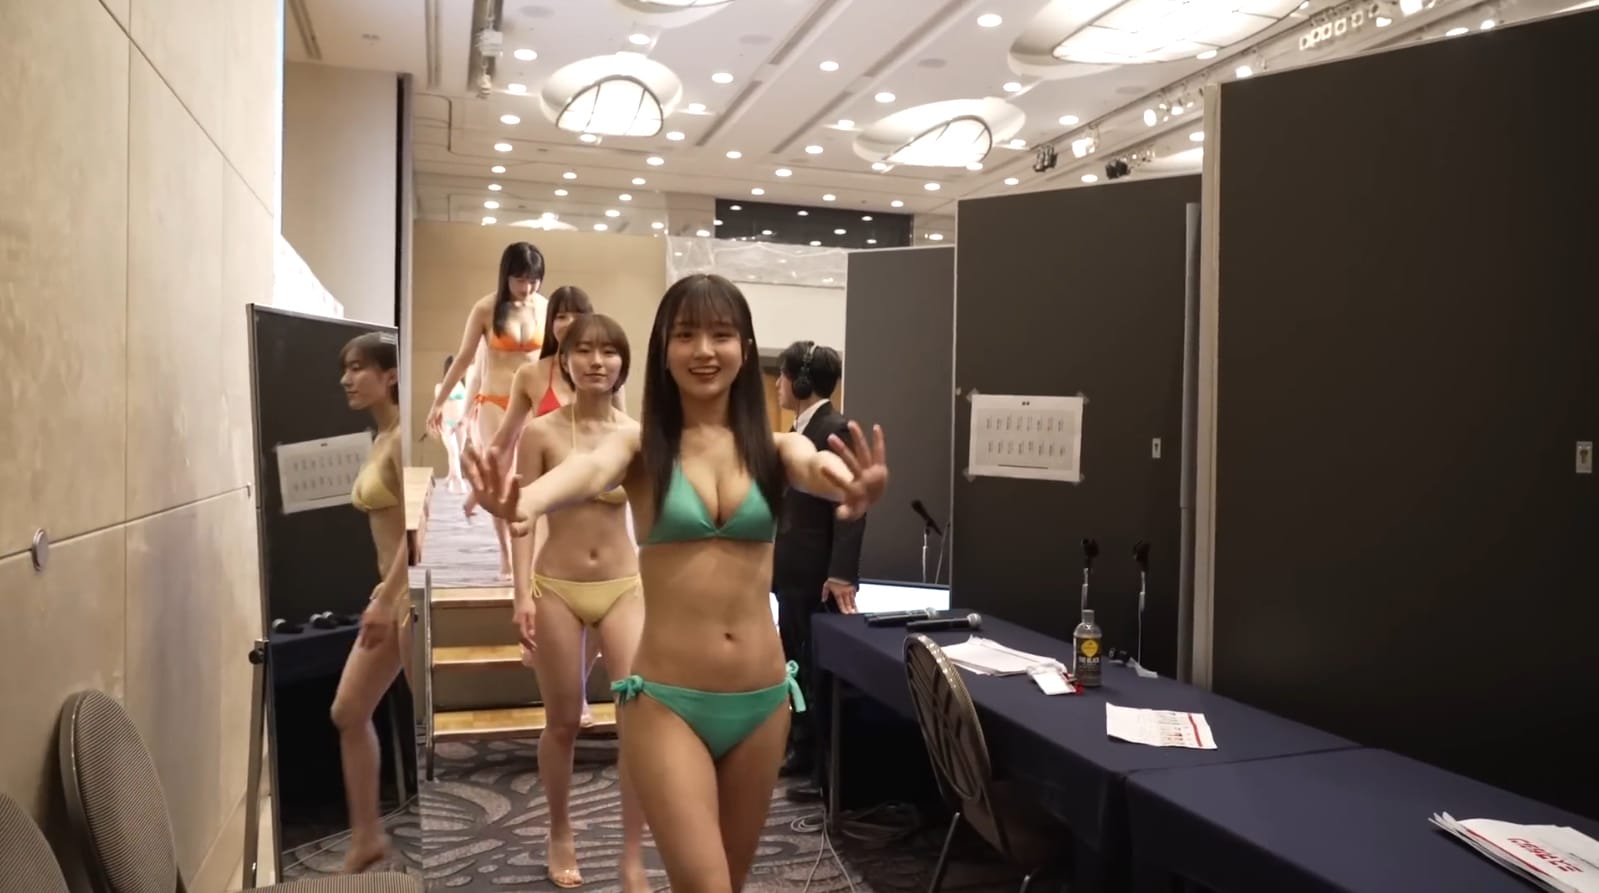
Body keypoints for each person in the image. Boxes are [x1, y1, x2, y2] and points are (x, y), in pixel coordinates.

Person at [466, 273, 889, 892]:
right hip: (668, 703)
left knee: (730, 884)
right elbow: (587, 471)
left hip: (762, 699)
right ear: (663, 350)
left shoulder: (775, 449)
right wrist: (524, 500)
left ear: (746, 348)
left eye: (721, 335)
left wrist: (851, 484)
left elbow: (816, 465)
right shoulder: (640, 448)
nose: (704, 350)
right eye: (686, 335)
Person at [504, 313, 649, 890]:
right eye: (584, 350)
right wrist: (521, 594)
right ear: (564, 360)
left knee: (638, 721)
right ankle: (559, 830)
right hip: (557, 587)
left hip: (624, 586)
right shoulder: (541, 434)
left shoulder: (635, 435)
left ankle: (632, 850)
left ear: (622, 364)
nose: (596, 361)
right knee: (563, 721)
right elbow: (521, 517)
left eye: (609, 351)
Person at [488, 286, 626, 726]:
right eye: (562, 316)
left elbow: (621, 440)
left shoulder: (619, 411)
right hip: (550, 511)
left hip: (612, 552)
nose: (569, 323)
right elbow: (508, 437)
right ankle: (565, 684)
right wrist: (486, 481)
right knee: (558, 699)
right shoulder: (533, 377)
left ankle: (575, 682)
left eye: (578, 315)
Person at [328, 333, 412, 873]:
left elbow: (421, 526)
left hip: (410, 601)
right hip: (391, 598)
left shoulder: (405, 438)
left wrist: (388, 596)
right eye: (346, 369)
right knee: (348, 710)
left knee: (424, 727)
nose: (347, 379)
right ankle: (367, 837)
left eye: (358, 368)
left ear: (391, 375)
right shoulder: (381, 437)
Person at [771, 340, 865, 799]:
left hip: (818, 576)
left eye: (783, 375)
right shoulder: (798, 430)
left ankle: (825, 772)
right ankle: (802, 748)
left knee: (816, 672)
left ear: (802, 381)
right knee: (796, 668)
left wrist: (842, 572)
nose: (777, 384)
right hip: (792, 573)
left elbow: (853, 504)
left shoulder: (835, 428)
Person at [427, 241, 549, 579]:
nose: (528, 288)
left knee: (533, 481)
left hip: (533, 406)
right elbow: (464, 358)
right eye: (520, 279)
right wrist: (440, 401)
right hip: (495, 405)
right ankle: (505, 553)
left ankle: (531, 551)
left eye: (534, 280)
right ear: (506, 276)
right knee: (500, 481)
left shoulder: (545, 307)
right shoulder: (485, 308)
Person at [433, 354, 469, 492]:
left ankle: (450, 476)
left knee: (458, 452)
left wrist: (466, 421)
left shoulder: (462, 386)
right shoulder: (440, 387)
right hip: (447, 423)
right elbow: (438, 405)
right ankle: (459, 482)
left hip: (460, 423)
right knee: (453, 452)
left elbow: (466, 404)